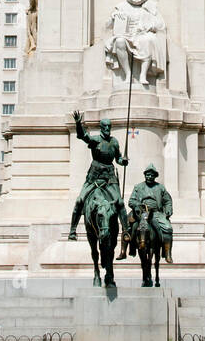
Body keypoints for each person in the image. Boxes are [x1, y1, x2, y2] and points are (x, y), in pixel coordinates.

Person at [68, 111, 131, 252]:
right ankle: (72, 230)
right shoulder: (95, 139)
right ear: (101, 128)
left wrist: (123, 161)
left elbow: (118, 158)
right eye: (105, 127)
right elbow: (82, 136)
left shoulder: (114, 142)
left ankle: (126, 231)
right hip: (94, 177)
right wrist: (78, 123)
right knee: (79, 200)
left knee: (120, 203)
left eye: (109, 127)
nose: (107, 129)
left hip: (109, 177)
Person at [127, 166, 174, 263]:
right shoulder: (138, 187)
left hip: (156, 213)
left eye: (152, 175)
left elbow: (167, 201)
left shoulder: (160, 188)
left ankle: (167, 253)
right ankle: (126, 250)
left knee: (168, 228)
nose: (149, 177)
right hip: (141, 212)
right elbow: (131, 201)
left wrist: (168, 209)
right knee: (128, 226)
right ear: (145, 175)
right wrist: (138, 205)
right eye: (147, 175)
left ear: (155, 176)